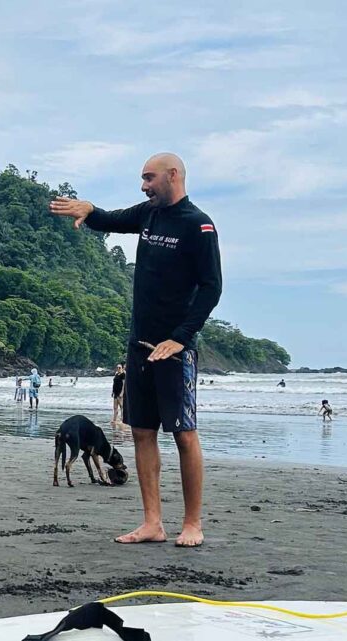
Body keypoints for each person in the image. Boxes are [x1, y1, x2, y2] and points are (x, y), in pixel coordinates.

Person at [50, 152, 222, 548]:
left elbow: (212, 287)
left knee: (184, 434)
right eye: (142, 179)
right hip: (138, 346)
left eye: (149, 178)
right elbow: (111, 219)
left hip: (175, 350)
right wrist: (89, 210)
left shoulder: (199, 225)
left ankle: (192, 523)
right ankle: (152, 523)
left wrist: (180, 337)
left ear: (173, 175)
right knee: (142, 432)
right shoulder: (148, 214)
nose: (143, 185)